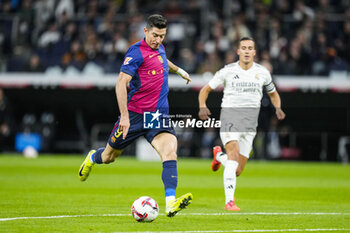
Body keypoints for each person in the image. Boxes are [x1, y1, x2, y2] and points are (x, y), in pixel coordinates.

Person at [78, 14, 193, 217]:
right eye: (155, 35)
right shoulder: (136, 51)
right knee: (109, 157)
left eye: (162, 36)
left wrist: (179, 71)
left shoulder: (160, 48)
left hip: (158, 116)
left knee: (169, 153)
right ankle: (92, 158)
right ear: (146, 31)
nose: (158, 40)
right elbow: (121, 83)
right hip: (134, 116)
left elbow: (164, 60)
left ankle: (170, 203)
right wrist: (124, 117)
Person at [198, 37, 286, 211]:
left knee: (237, 170)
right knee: (233, 156)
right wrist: (202, 106)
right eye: (243, 48)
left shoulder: (262, 72)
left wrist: (278, 108)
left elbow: (273, 93)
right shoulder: (227, 71)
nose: (246, 51)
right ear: (238, 51)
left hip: (250, 124)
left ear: (254, 52)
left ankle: (218, 156)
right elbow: (205, 90)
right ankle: (229, 202)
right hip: (230, 117)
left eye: (250, 48)